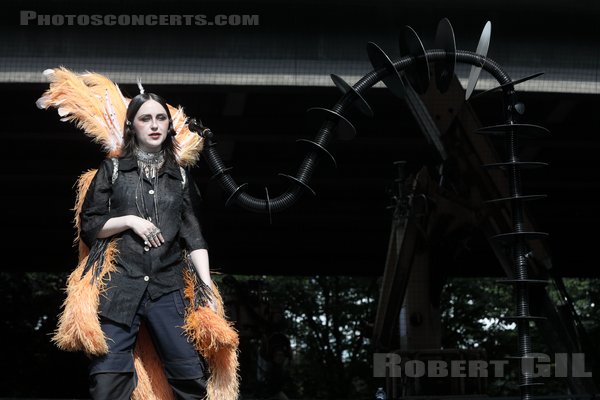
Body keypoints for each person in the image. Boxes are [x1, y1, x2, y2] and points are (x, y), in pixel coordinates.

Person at [37, 68, 239, 400]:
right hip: (119, 288)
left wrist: (205, 285)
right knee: (107, 382)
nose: (155, 124)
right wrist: (129, 220)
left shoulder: (181, 179)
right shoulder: (112, 170)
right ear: (132, 125)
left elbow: (194, 236)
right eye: (146, 118)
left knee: (190, 379)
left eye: (161, 118)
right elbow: (90, 227)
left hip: (168, 289)